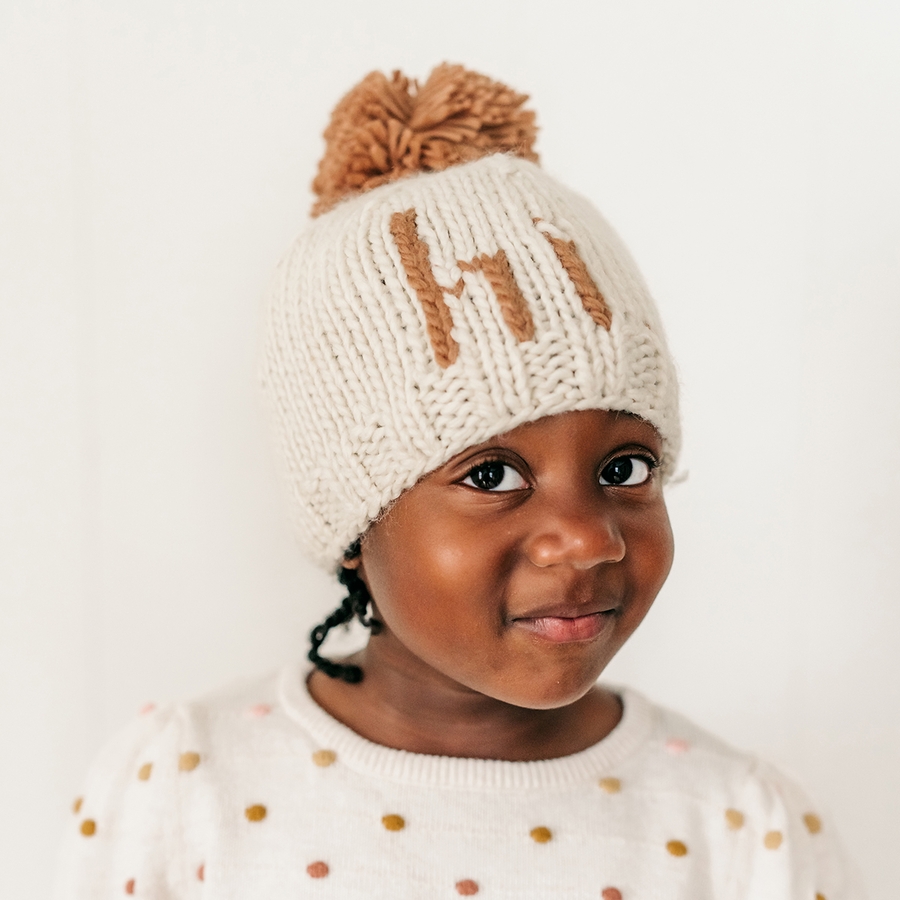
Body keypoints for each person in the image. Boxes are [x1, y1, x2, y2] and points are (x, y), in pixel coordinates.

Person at [53, 64, 860, 899]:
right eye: (492, 473)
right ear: (354, 523)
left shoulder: (739, 828)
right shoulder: (184, 790)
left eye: (625, 468)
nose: (589, 538)